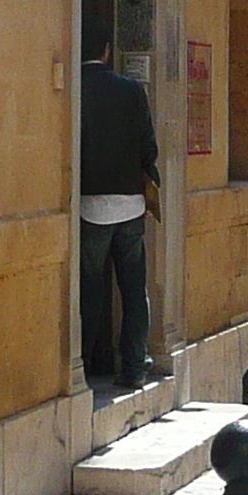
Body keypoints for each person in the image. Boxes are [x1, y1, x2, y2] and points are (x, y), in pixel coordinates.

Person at [79, 37, 160, 394]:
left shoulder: (73, 90)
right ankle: (134, 366)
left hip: (88, 204)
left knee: (90, 290)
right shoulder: (131, 90)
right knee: (132, 290)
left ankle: (83, 366)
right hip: (130, 204)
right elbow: (149, 146)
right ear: (107, 49)